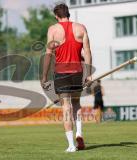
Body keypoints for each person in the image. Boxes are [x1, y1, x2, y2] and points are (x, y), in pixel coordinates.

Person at [41, 3, 92, 152]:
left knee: (66, 107)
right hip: (77, 72)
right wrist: (88, 74)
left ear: (56, 16)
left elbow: (48, 54)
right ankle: (79, 133)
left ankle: (71, 145)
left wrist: (44, 76)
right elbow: (88, 52)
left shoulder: (53, 30)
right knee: (76, 104)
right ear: (68, 14)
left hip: (61, 73)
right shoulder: (81, 28)